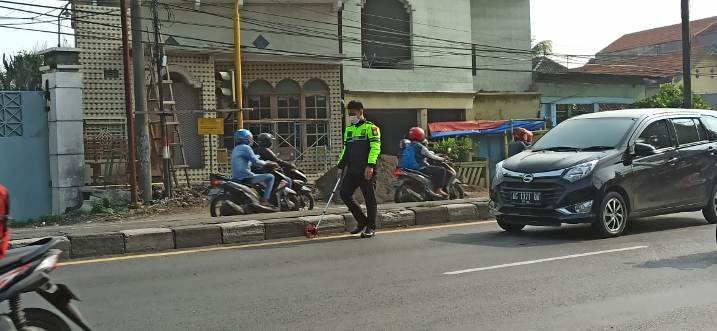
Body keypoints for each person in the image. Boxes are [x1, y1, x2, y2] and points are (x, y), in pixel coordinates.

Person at [337, 100, 381, 238]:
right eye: (349, 114)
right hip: (352, 170)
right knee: (344, 193)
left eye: (353, 113)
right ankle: (361, 221)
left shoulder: (371, 128)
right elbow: (346, 150)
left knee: (369, 198)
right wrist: (340, 166)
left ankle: (371, 227)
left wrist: (370, 165)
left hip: (366, 169)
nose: (350, 116)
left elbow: (375, 148)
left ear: (360, 112)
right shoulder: (349, 130)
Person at [398, 127, 451, 197]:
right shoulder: (420, 146)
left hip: (404, 167)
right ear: (421, 135)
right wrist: (442, 159)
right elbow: (431, 156)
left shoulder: (408, 145)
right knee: (442, 170)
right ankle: (439, 190)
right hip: (418, 167)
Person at [231, 129, 277, 206]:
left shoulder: (236, 149)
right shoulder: (246, 148)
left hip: (236, 176)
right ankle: (265, 200)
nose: (251, 139)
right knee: (270, 177)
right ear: (244, 138)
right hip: (246, 176)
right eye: (249, 138)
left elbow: (247, 160)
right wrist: (267, 163)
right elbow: (256, 162)